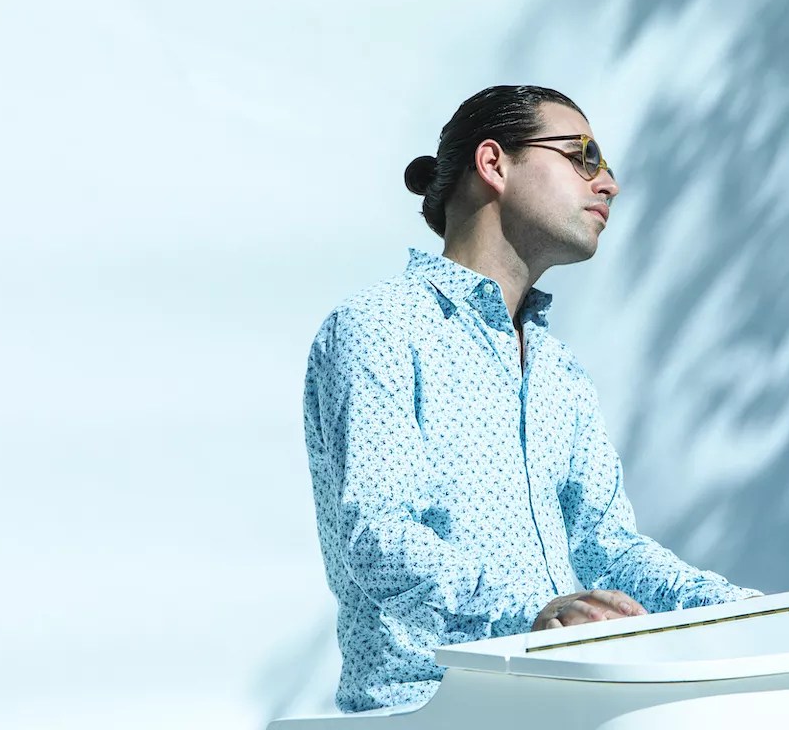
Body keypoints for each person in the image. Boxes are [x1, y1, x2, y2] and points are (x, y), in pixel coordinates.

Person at [303, 85, 760, 713]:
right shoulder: (379, 328)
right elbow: (379, 539)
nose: (608, 183)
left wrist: (740, 611)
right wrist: (532, 616)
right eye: (583, 156)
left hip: (564, 707)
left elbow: (605, 546)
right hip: (427, 711)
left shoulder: (559, 370)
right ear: (494, 164)